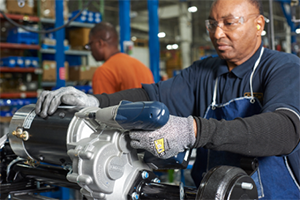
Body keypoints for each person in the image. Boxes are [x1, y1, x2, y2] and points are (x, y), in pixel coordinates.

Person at [35, 0, 300, 199]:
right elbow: (152, 96)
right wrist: (95, 102)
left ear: (259, 24)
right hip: (210, 193)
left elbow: (284, 130)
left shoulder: (284, 67)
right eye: (212, 24)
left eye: (229, 23)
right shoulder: (204, 71)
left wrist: (193, 130)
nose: (218, 33)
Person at [87, 22, 154, 94]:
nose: (90, 49)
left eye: (90, 44)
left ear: (100, 43)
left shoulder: (104, 72)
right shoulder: (142, 67)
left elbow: (101, 104)